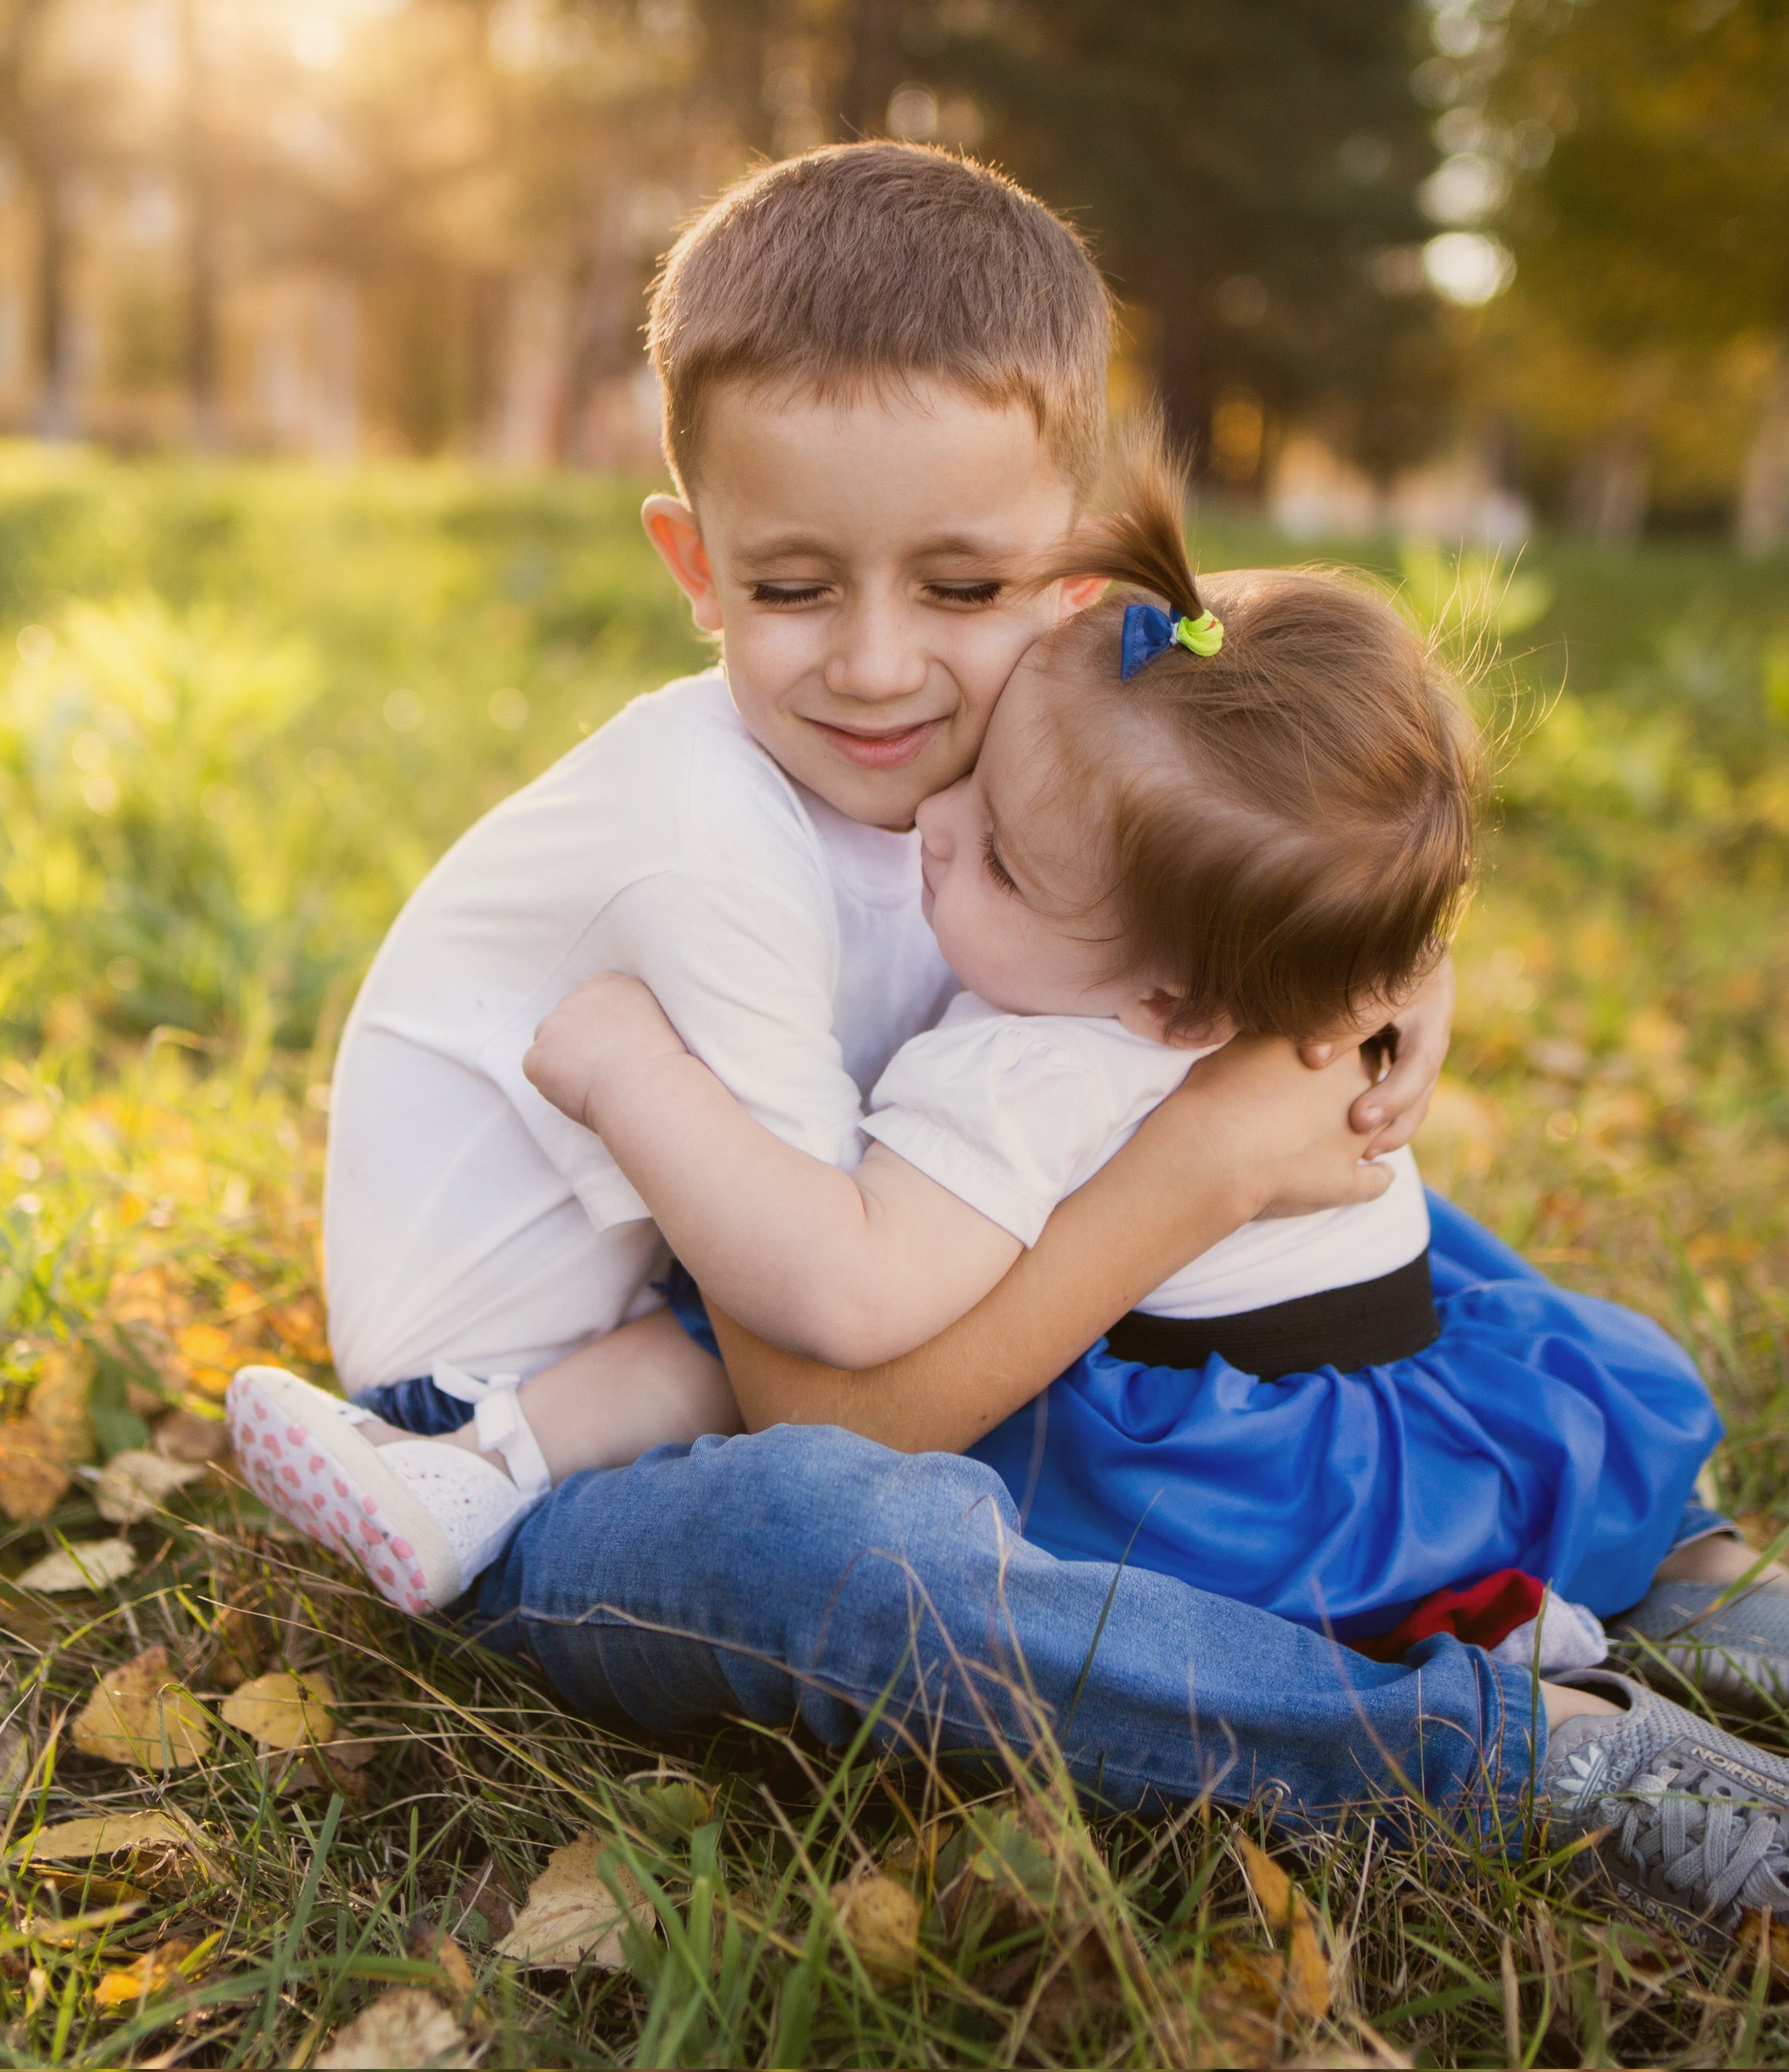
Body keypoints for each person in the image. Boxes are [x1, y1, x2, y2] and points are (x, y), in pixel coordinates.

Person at [227, 141, 1789, 1934]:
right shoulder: (700, 840)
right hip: (555, 1445)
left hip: (888, 1271)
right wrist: (1199, 1162)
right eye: (795, 586)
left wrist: (1383, 976)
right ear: (694, 562)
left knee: (1284, 1154)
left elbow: (1295, 727)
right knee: (847, 1548)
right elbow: (824, 1397)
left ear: (1065, 570)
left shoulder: (1037, 693)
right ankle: (1503, 1755)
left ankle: (1638, 1552)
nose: (883, 667)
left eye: (959, 589)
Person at [512, 444, 1724, 1645]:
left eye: (1001, 858)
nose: (937, 822)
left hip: (1240, 1496)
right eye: (981, 785)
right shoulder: (1233, 963)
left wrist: (638, 1077)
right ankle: (1689, 1580)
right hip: (1414, 1424)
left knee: (890, 1510)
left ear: (1181, 1006)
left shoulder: (1020, 1063)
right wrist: (1397, 967)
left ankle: (1491, 1724)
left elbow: (853, 1302)